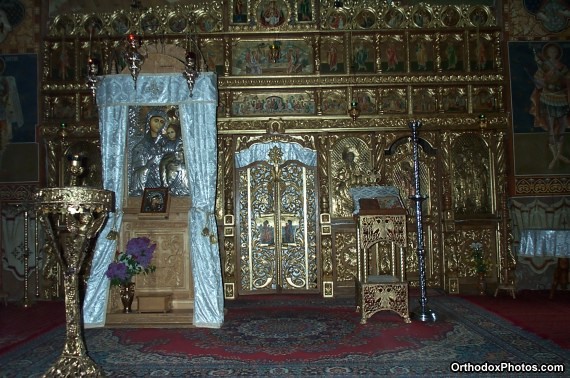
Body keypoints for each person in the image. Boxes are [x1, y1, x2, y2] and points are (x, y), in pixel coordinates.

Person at [530, 43, 570, 169]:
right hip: (548, 97)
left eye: (554, 52)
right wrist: (543, 80)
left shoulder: (562, 67)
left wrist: (561, 77)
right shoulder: (543, 67)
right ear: (547, 53)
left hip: (561, 97)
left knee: (563, 124)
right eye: (550, 52)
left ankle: (558, 154)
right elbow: (538, 83)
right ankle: (555, 156)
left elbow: (567, 81)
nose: (552, 54)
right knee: (551, 126)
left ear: (557, 53)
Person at [130, 109, 168, 196]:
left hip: (164, 182)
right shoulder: (140, 147)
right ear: (149, 122)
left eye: (162, 122)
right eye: (156, 121)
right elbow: (135, 172)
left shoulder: (167, 143)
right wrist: (148, 166)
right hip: (148, 184)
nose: (158, 124)